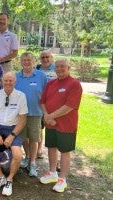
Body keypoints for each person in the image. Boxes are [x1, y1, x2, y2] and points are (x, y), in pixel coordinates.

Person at [39, 58, 82, 193]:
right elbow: (43, 101)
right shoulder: (51, 83)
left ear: (68, 67)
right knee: (51, 147)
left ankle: (62, 179)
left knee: (64, 151)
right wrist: (46, 115)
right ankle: (52, 173)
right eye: (57, 66)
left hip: (66, 124)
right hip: (51, 123)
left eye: (62, 66)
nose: (59, 69)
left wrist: (50, 116)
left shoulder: (74, 84)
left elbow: (69, 106)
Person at [0, 71, 27, 196]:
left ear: (15, 82)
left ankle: (9, 179)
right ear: (1, 82)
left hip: (12, 129)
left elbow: (23, 119)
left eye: (11, 80)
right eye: (6, 80)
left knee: (18, 154)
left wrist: (12, 135)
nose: (8, 83)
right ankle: (0, 177)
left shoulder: (21, 96)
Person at [15, 52, 47, 177]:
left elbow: (46, 94)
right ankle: (27, 157)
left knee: (34, 138)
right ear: (20, 62)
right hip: (20, 114)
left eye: (29, 60)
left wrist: (45, 112)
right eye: (24, 60)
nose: (26, 62)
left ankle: (33, 163)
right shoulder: (17, 76)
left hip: (35, 113)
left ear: (33, 61)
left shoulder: (41, 76)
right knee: (23, 138)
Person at [36, 50, 56, 159]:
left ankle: (54, 156)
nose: (45, 59)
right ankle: (39, 150)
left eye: (47, 57)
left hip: (52, 102)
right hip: (40, 103)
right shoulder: (37, 69)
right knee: (40, 127)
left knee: (53, 128)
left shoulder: (56, 69)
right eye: (42, 57)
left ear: (51, 57)